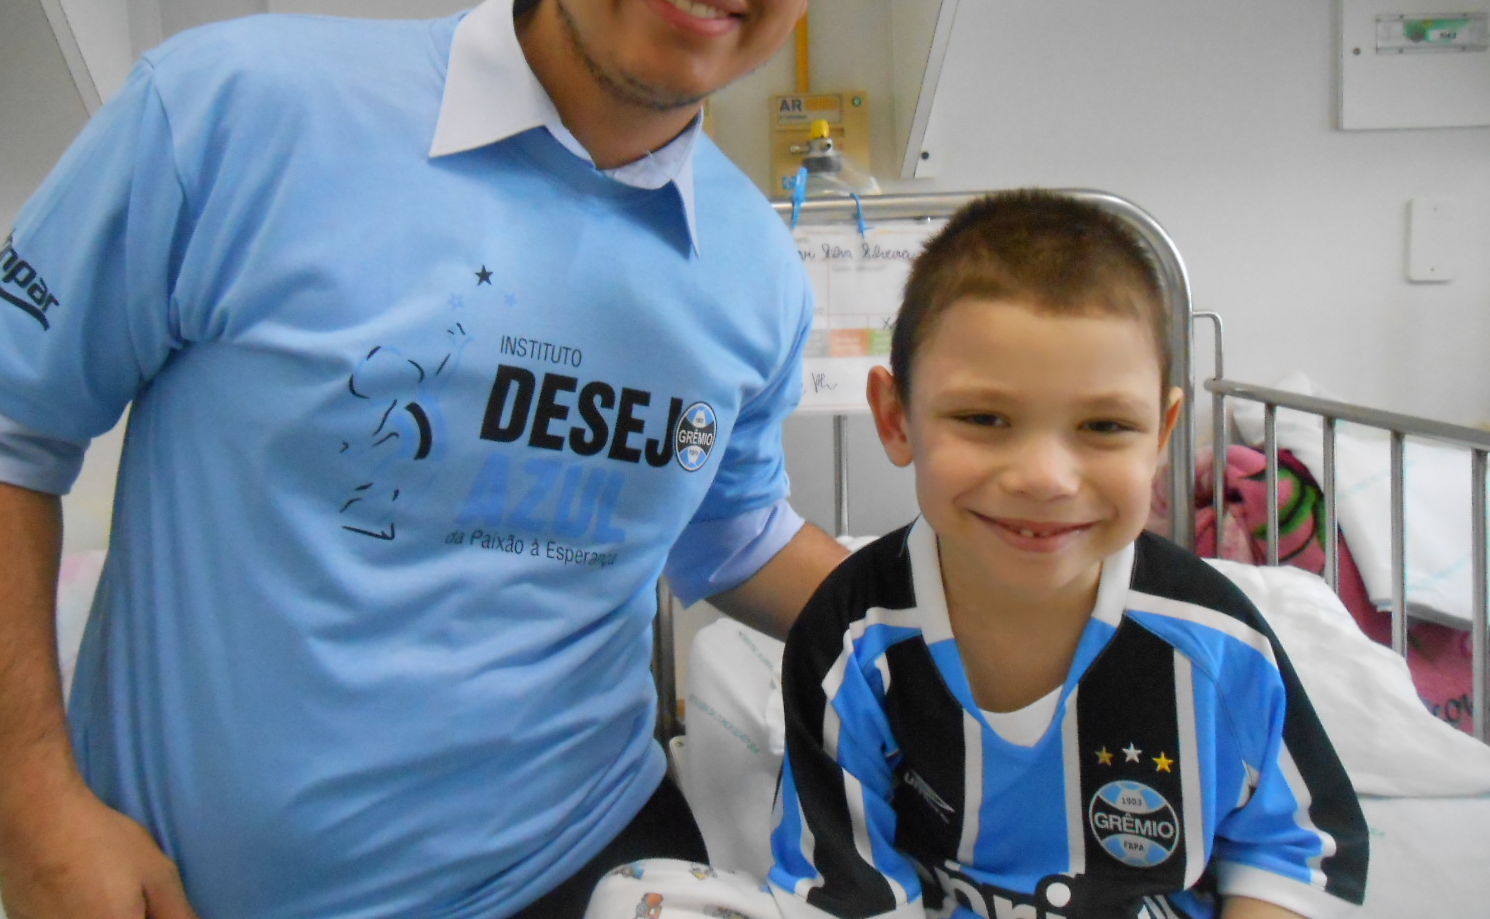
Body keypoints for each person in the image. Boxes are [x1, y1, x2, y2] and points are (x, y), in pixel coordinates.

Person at [0, 0, 874, 917]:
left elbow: (730, 531)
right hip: (194, 888)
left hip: (581, 861)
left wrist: (965, 596)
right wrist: (31, 810)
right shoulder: (236, 110)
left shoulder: (751, 262)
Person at [585, 190, 1368, 919]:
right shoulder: (851, 645)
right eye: (985, 418)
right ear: (896, 420)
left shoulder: (1219, 646)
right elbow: (851, 890)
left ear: (1163, 436)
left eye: (1103, 427)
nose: (1044, 478)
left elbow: (1295, 850)